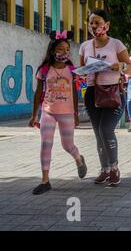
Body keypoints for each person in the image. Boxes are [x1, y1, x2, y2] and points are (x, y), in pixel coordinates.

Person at [28, 30, 87, 195]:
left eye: (67, 49)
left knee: (67, 145)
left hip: (67, 113)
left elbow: (75, 93)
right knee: (46, 144)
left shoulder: (71, 70)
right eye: (60, 49)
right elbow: (38, 93)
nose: (64, 52)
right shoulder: (44, 69)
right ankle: (45, 180)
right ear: (53, 51)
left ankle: (78, 158)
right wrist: (34, 115)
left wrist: (75, 114)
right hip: (48, 112)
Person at [79, 9, 131, 186]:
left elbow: (130, 68)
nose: (94, 26)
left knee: (106, 130)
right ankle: (105, 169)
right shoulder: (85, 46)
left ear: (106, 25)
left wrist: (121, 66)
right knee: (98, 134)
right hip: (92, 92)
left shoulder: (116, 44)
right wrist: (79, 75)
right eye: (91, 23)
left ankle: (115, 168)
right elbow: (81, 72)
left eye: (97, 22)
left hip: (112, 92)